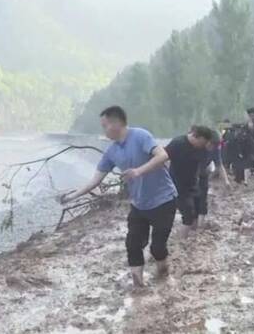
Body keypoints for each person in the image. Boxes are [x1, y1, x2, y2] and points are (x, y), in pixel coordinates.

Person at [61, 106, 177, 287]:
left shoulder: (140, 136)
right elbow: (95, 180)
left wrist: (138, 171)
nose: (104, 130)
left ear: (116, 123)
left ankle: (164, 275)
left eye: (105, 125)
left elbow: (162, 155)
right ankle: (139, 287)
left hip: (164, 200)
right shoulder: (112, 151)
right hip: (139, 205)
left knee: (157, 248)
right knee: (133, 245)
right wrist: (71, 196)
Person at [165, 126, 214, 239]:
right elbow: (162, 158)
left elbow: (205, 166)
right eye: (203, 142)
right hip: (177, 185)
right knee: (188, 215)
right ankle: (181, 242)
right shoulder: (178, 143)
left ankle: (192, 238)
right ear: (198, 137)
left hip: (193, 184)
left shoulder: (202, 148)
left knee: (197, 211)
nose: (204, 145)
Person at [193, 129, 230, 228]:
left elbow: (219, 165)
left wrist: (226, 181)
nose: (212, 147)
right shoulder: (197, 146)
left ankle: (200, 226)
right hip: (190, 175)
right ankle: (192, 223)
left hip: (203, 175)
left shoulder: (215, 149)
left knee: (202, 200)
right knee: (192, 201)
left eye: (216, 145)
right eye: (211, 144)